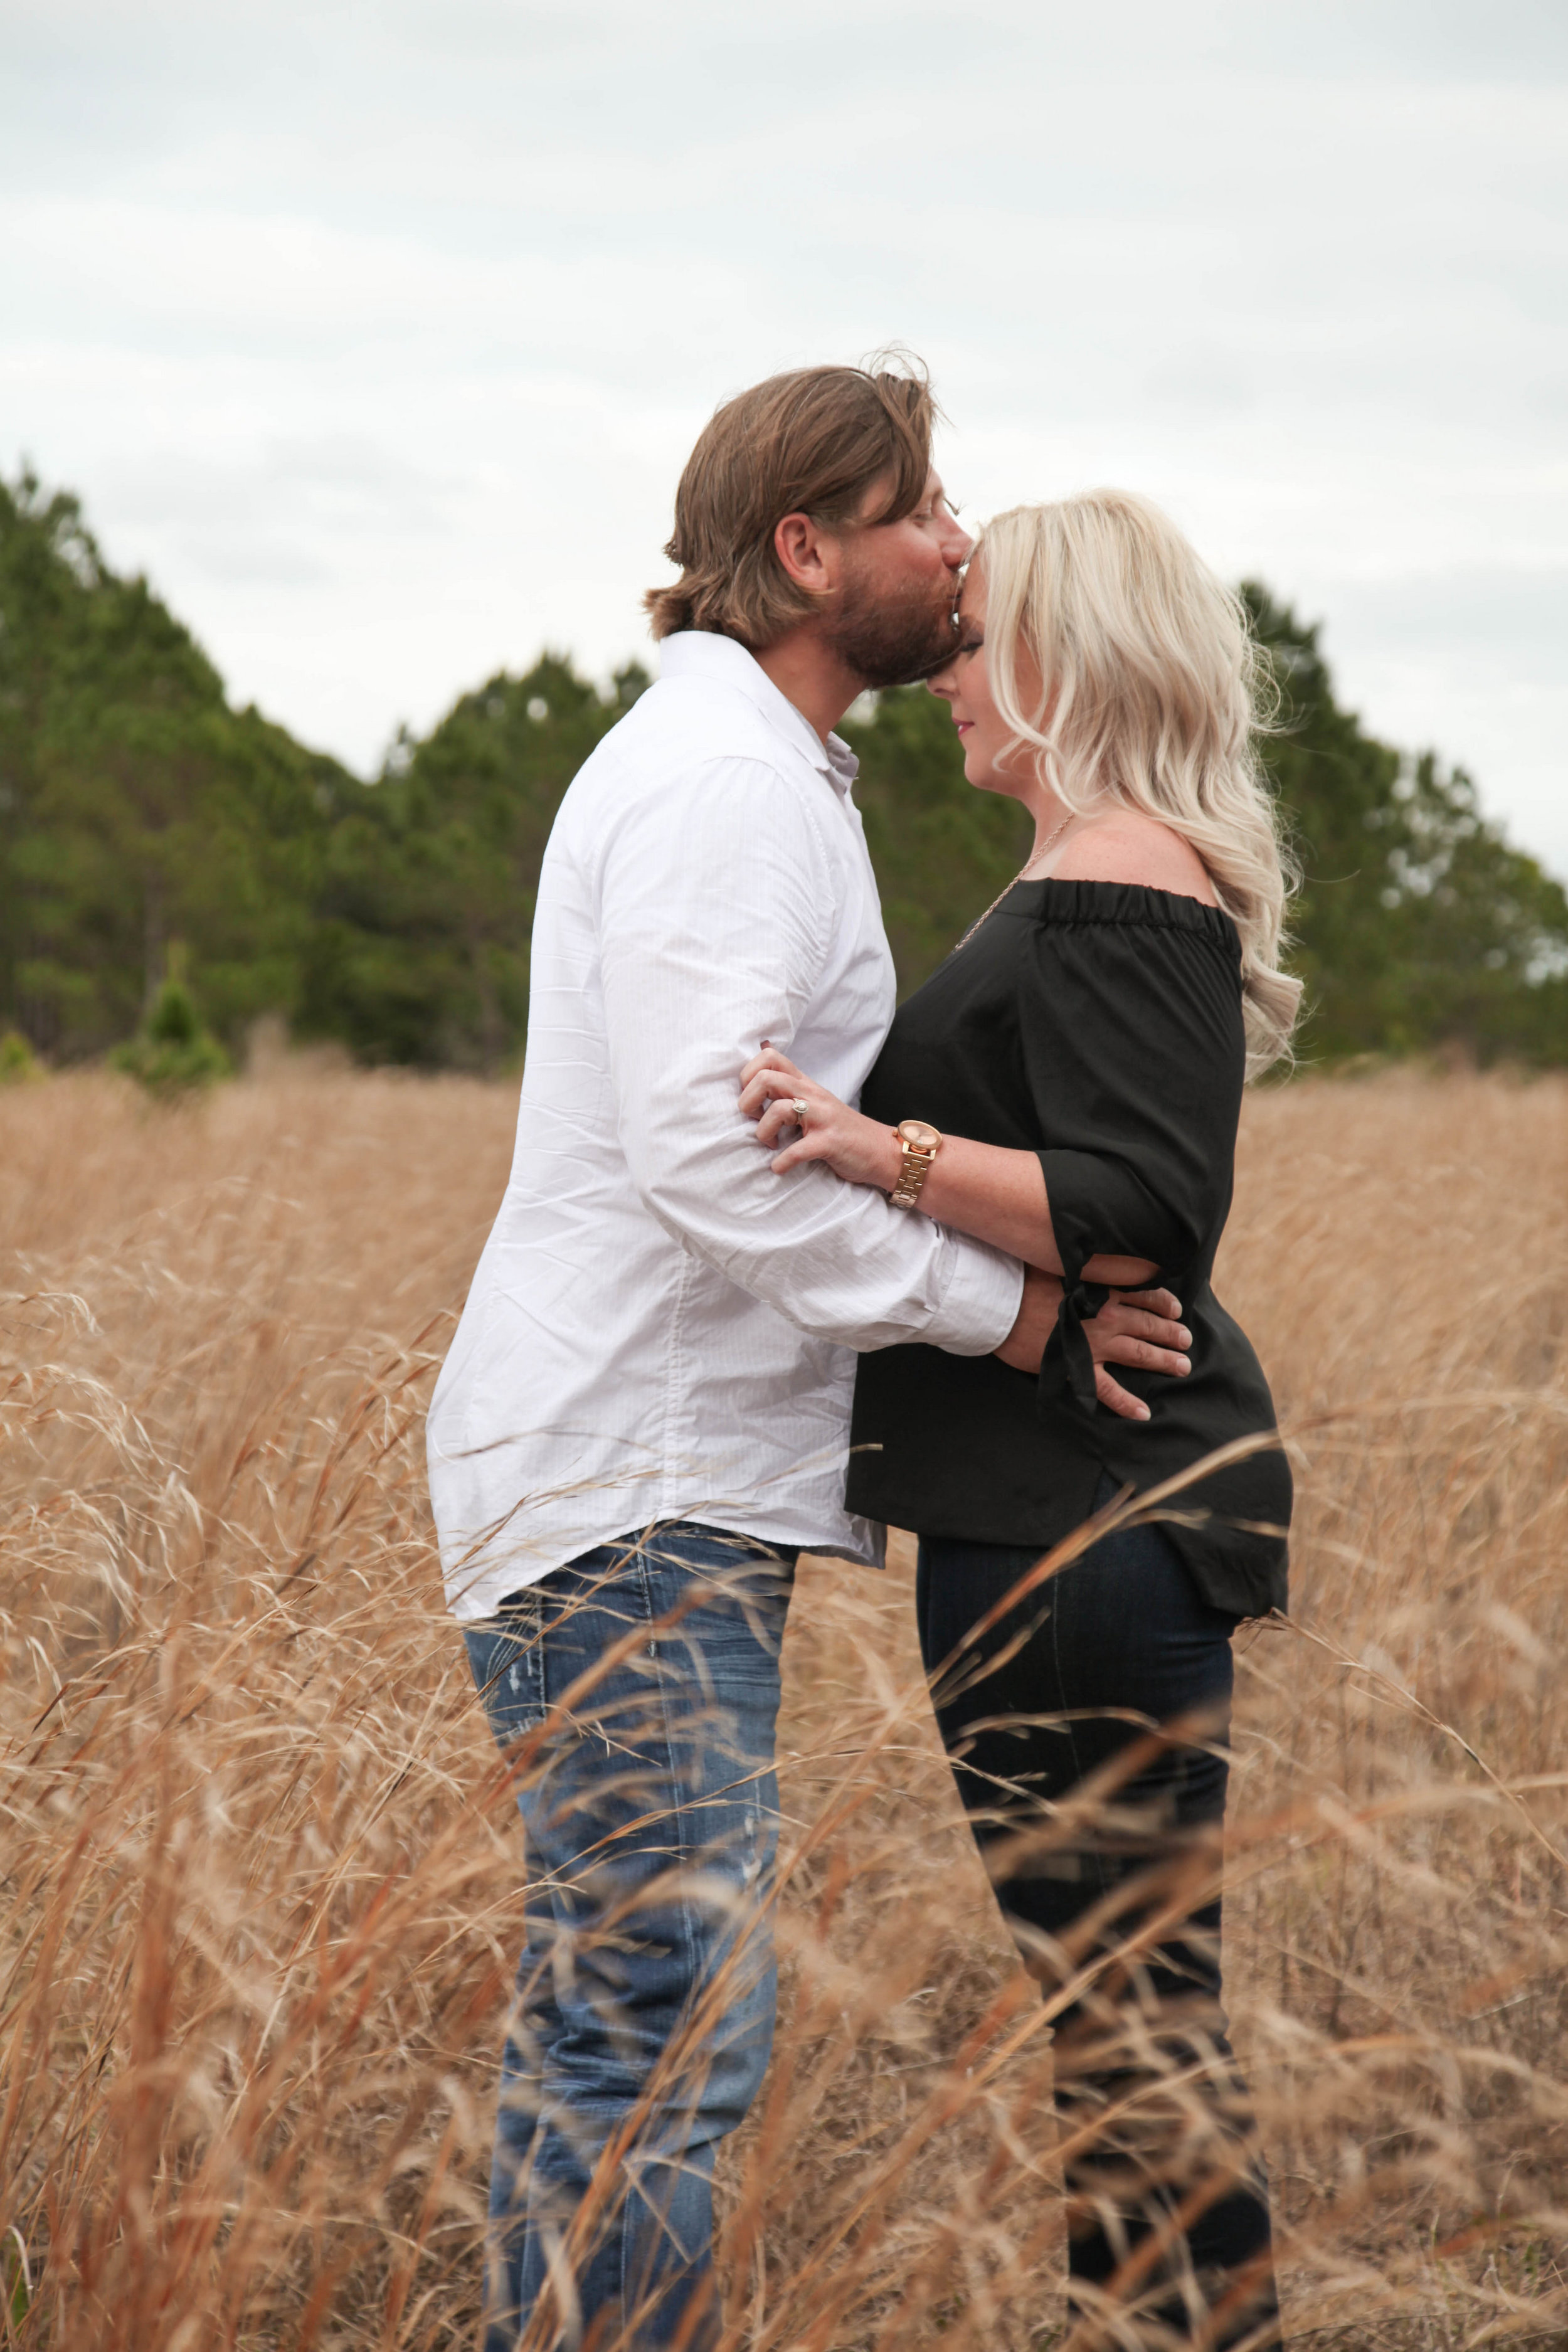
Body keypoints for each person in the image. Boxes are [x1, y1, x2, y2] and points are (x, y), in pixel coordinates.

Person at [426, 368, 1190, 2351]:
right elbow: (711, 1156)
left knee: (634, 2016)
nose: (959, 540)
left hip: (645, 1484)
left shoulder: (762, 776)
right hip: (631, 1484)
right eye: (924, 506)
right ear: (805, 549)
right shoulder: (726, 786)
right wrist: (1018, 1313)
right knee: (662, 2033)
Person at [740, 489, 1298, 2348]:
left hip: (1090, 1519)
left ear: (1065, 656)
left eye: (976, 643)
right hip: (1051, 1513)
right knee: (1121, 2027)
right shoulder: (1093, 869)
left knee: (1134, 2034)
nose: (945, 680)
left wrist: (876, 1148)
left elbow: (1142, 1202)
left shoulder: (1121, 871)